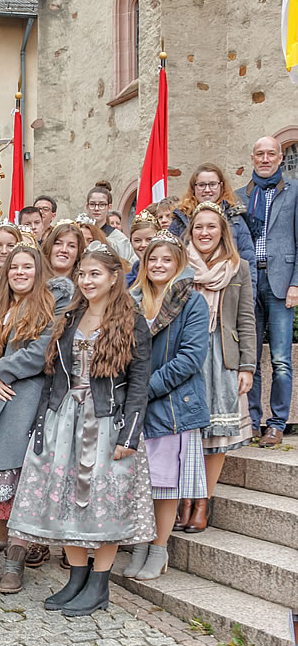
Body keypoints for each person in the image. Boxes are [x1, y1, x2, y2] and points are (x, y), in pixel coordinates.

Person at [9, 243, 155, 616]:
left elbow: (139, 383)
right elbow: (53, 376)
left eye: (95, 274)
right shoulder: (70, 317)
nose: (87, 280)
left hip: (106, 422)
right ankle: (76, 578)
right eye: (83, 273)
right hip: (64, 419)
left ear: (112, 278)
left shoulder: (130, 320)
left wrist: (130, 435)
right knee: (63, 502)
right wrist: (42, 424)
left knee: (105, 506)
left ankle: (99, 584)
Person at [0, 245, 72, 594]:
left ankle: (15, 563)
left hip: (26, 407)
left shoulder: (50, 308)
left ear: (37, 271)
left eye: (27, 267)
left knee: (20, 486)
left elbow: (41, 352)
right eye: (14, 268)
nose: (20, 273)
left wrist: (0, 371)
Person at [124, 232, 209, 581]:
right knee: (139, 482)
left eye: (167, 260)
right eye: (153, 260)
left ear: (179, 264)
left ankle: (158, 550)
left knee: (164, 483)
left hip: (173, 403)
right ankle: (141, 544)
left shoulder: (192, 302)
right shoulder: (132, 300)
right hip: (136, 402)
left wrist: (145, 389)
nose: (158, 265)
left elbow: (190, 358)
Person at [186, 203, 256, 532]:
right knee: (188, 433)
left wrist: (248, 366)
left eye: (211, 227)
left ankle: (203, 501)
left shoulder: (237, 268)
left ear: (222, 232)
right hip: (189, 354)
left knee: (216, 434)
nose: (204, 232)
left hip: (223, 355)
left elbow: (245, 319)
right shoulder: (181, 264)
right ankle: (183, 498)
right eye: (199, 226)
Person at [240, 136, 297, 446]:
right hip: (248, 284)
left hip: (280, 283)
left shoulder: (294, 191)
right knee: (249, 357)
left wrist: (296, 284)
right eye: (259, 153)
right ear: (252, 158)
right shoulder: (240, 196)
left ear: (279, 157)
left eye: (270, 154)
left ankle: (276, 423)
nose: (264, 158)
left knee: (280, 359)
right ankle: (251, 421)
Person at [169, 164, 254, 287]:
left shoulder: (235, 218)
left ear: (221, 186)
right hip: (189, 289)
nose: (207, 190)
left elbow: (248, 261)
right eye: (202, 185)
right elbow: (170, 257)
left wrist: (250, 298)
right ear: (194, 188)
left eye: (212, 184)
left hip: (227, 289)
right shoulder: (180, 219)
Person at [85, 182, 137, 264]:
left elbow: (128, 266)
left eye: (102, 204)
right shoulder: (79, 232)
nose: (96, 208)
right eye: (92, 204)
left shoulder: (119, 239)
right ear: (87, 206)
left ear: (109, 207)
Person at [127, 213, 161, 287]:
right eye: (137, 240)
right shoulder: (126, 281)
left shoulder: (168, 273)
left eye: (149, 239)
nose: (143, 245)